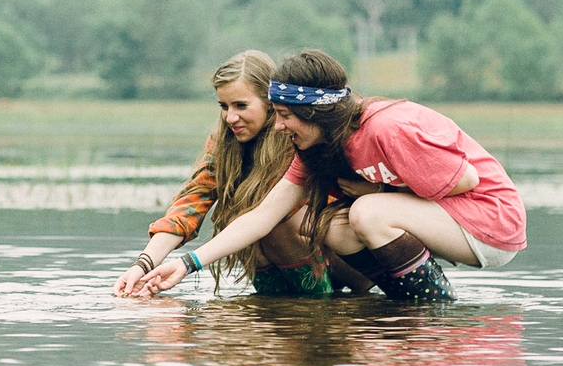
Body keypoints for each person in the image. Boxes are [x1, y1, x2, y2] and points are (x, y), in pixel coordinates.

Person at [122, 49, 526, 302]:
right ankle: (400, 311)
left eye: (284, 116)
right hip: (434, 226)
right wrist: (187, 264)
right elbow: (260, 216)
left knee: (367, 212)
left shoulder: (387, 127)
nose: (279, 128)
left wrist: (384, 190)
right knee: (336, 221)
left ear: (314, 114)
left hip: (489, 224)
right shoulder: (315, 146)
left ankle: (434, 307)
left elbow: (466, 182)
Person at [113, 50, 347, 299]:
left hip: (340, 256)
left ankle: (321, 309)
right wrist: (143, 265)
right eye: (224, 107)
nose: (230, 117)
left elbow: (268, 218)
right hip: (276, 244)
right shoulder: (222, 142)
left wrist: (188, 263)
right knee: (241, 224)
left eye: (241, 106)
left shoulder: (293, 135)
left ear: (270, 104)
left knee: (273, 225)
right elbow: (189, 207)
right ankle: (278, 312)